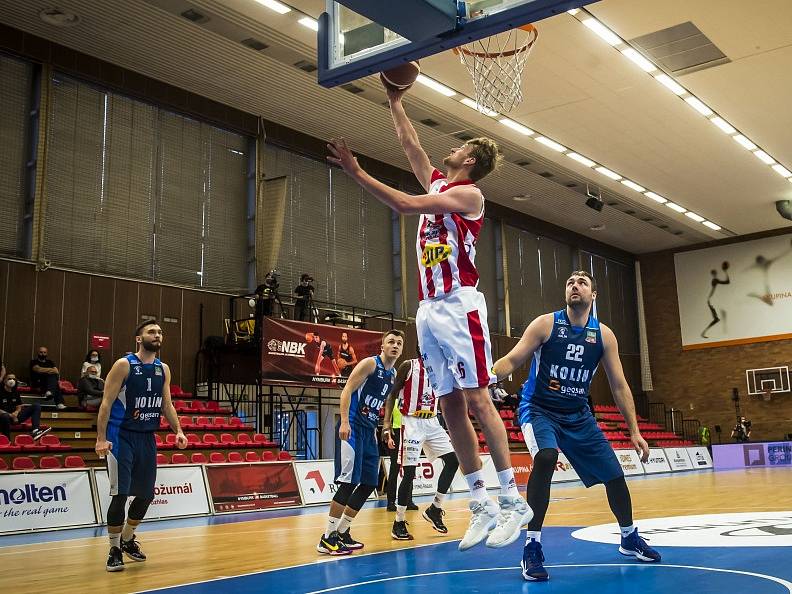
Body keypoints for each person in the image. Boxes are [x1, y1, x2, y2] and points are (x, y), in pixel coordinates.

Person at [327, 85, 529, 551]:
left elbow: (405, 205)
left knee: (478, 399)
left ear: (472, 161)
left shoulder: (470, 195)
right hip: (429, 309)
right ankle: (479, 504)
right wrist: (396, 100)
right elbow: (410, 145)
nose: (450, 148)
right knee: (451, 405)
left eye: (460, 147)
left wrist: (356, 172)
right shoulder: (440, 182)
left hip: (460, 304)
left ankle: (512, 500)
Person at [492, 271, 660, 582]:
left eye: (582, 282)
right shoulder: (546, 324)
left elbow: (620, 386)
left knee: (614, 473)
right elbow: (513, 359)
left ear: (593, 295)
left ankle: (628, 535)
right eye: (570, 282)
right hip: (539, 409)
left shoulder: (604, 335)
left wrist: (634, 430)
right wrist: (490, 377)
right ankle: (532, 546)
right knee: (545, 457)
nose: (575, 285)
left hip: (578, 415)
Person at [95, 320, 187, 572]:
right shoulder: (123, 365)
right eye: (151, 331)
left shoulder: (163, 369)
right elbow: (106, 403)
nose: (157, 335)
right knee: (120, 494)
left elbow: (166, 405)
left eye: (159, 332)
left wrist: (178, 430)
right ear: (139, 338)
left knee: (146, 495)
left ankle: (127, 538)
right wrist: (101, 438)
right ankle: (114, 548)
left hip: (147, 437)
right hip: (120, 436)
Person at [317, 329, 404, 556]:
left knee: (369, 483)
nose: (395, 346)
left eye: (399, 343)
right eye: (391, 342)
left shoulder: (393, 374)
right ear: (382, 346)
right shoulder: (369, 364)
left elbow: (376, 406)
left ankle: (343, 531)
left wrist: (381, 429)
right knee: (348, 483)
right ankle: (327, 537)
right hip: (353, 427)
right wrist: (344, 421)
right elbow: (347, 390)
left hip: (368, 432)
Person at [383, 349, 459, 540]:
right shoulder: (409, 366)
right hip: (412, 423)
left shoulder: (441, 369)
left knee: (453, 461)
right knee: (408, 473)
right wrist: (386, 424)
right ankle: (398, 522)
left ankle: (435, 508)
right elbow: (392, 395)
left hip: (433, 422)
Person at [0, 373, 50, 440]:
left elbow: (19, 405)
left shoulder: (16, 392)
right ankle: (7, 440)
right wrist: (11, 415)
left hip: (15, 416)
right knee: (5, 416)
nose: (12, 380)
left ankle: (35, 431)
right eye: (9, 379)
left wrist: (16, 413)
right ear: (4, 381)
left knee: (36, 406)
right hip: (4, 417)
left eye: (14, 379)